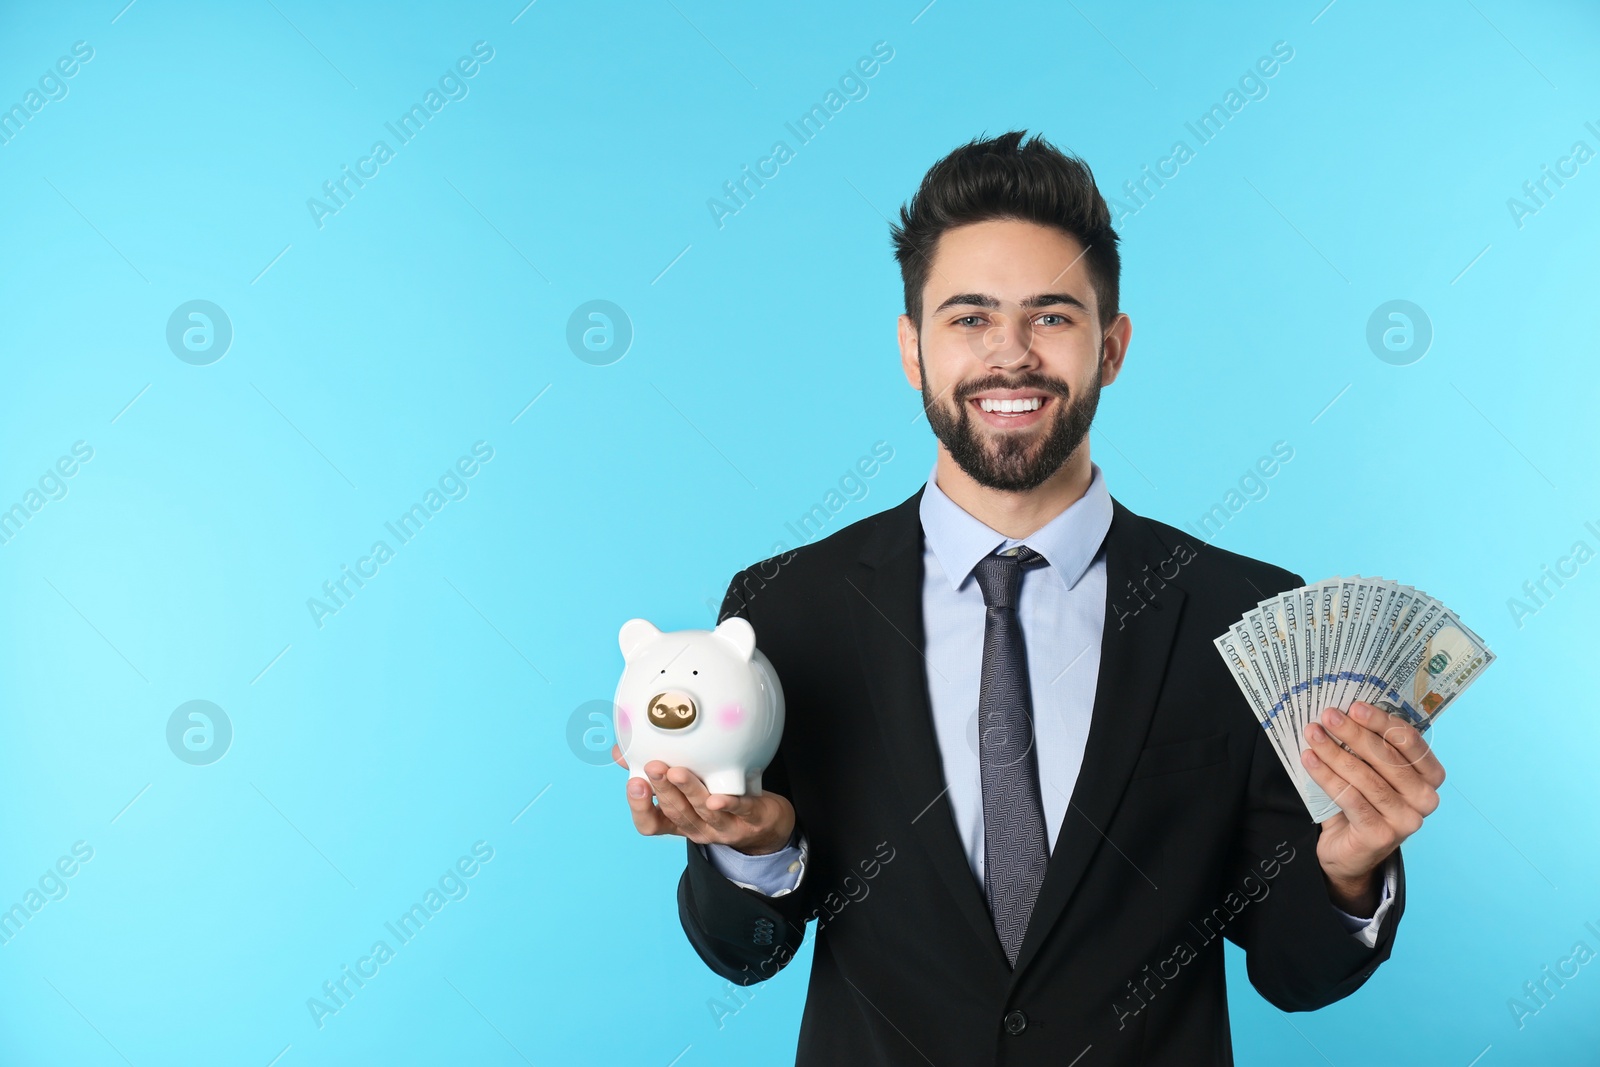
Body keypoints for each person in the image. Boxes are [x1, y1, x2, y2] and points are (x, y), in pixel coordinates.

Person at [614, 130, 1442, 1066]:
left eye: (1052, 316)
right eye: (968, 318)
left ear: (1112, 346)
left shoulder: (1244, 614)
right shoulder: (784, 607)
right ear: (912, 349)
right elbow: (744, 954)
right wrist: (752, 852)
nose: (1011, 356)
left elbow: (1296, 975)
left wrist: (1347, 873)